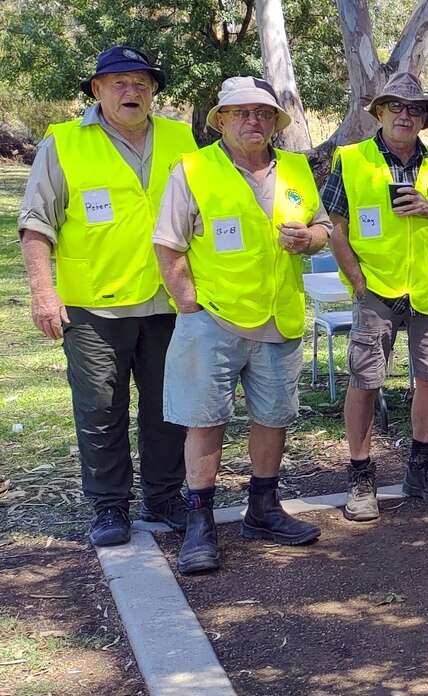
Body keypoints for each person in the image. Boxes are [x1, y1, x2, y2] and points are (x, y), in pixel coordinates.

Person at [18, 46, 196, 546]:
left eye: (141, 83)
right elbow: (36, 225)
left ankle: (164, 497)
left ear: (154, 91)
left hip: (169, 302)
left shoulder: (184, 141)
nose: (131, 91)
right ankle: (110, 506)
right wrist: (42, 293)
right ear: (96, 90)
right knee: (100, 408)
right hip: (94, 304)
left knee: (169, 407)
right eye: (118, 82)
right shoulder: (64, 143)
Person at [153, 77, 331, 574]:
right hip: (214, 319)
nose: (254, 120)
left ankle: (263, 509)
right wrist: (189, 303)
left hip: (280, 316)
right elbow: (168, 243)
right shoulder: (193, 169)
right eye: (242, 112)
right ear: (222, 120)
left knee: (274, 417)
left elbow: (323, 226)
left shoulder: (296, 168)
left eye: (264, 113)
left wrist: (311, 239)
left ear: (276, 121)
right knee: (205, 419)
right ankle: (200, 521)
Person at [322, 72, 428, 521]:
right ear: (380, 113)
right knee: (365, 381)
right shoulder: (350, 159)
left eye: (414, 109)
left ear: (424, 118)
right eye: (396, 107)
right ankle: (361, 475)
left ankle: (420, 466)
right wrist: (357, 281)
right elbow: (335, 227)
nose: (405, 115)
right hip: (376, 291)